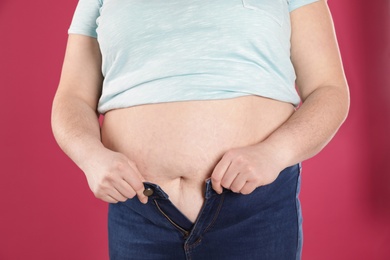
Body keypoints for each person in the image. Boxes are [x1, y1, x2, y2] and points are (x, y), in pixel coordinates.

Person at [51, 0, 349, 259]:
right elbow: (72, 97)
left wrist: (274, 153)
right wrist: (90, 157)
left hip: (252, 211)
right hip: (140, 212)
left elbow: (329, 90)